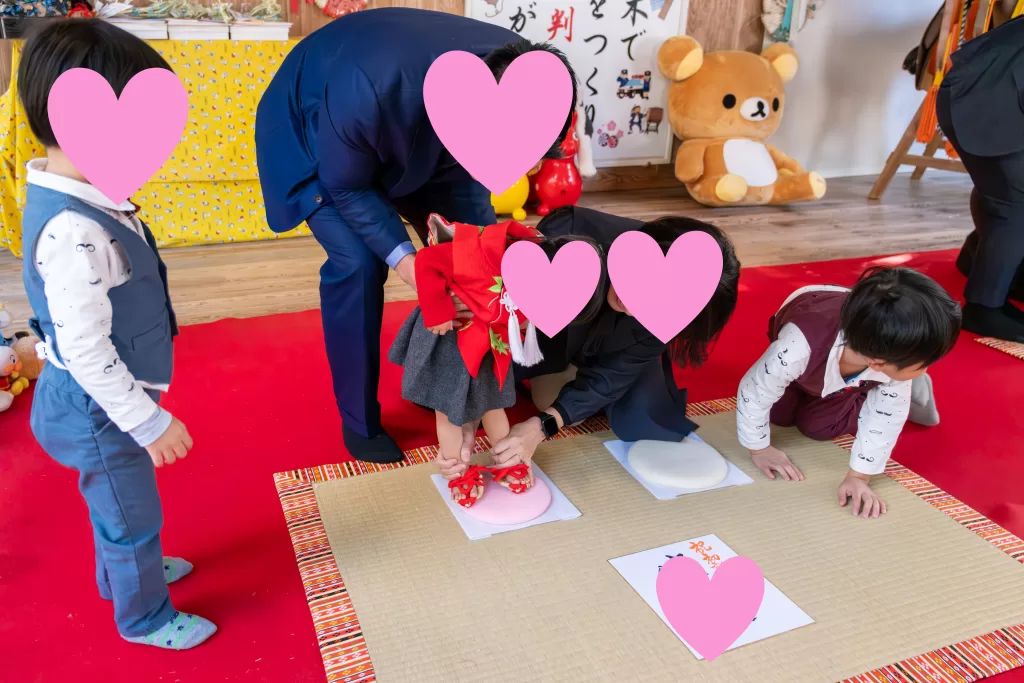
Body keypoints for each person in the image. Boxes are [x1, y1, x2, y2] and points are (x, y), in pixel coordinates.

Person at [255, 8, 578, 463]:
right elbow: (347, 184)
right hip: (318, 133)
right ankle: (358, 418)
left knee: (480, 258)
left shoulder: (523, 73)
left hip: (442, 141)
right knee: (360, 264)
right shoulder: (368, 88)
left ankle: (460, 386)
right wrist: (411, 265)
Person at [17, 20, 216, 649]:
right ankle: (144, 617)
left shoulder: (86, 197)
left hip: (96, 400)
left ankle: (121, 577)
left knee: (117, 511)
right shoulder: (74, 231)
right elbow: (84, 349)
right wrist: (149, 422)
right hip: (97, 410)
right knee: (132, 518)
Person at [434, 206, 741, 482]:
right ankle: (552, 374)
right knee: (454, 389)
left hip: (607, 346)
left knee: (639, 421)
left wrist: (541, 427)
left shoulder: (670, 313)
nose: (634, 306)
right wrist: (468, 414)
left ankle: (562, 379)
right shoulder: (567, 238)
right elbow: (485, 330)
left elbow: (613, 376)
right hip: (543, 338)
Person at [388, 214, 604, 506]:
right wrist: (437, 307)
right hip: (449, 335)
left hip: (490, 340)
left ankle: (509, 460)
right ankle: (456, 471)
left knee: (494, 402)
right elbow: (428, 260)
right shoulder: (487, 253)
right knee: (448, 411)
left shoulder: (536, 281)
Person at [735, 268, 961, 520]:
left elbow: (884, 420)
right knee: (777, 415)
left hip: (856, 366)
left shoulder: (887, 364)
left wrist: (858, 476)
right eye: (923, 364)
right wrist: (759, 449)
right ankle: (863, 386)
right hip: (813, 333)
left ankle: (888, 389)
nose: (928, 366)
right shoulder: (796, 348)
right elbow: (754, 391)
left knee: (819, 427)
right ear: (877, 363)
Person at [936, 15, 1024, 341]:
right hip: (989, 101)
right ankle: (985, 308)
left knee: (1002, 189)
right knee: (1015, 203)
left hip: (972, 89)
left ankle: (978, 256)